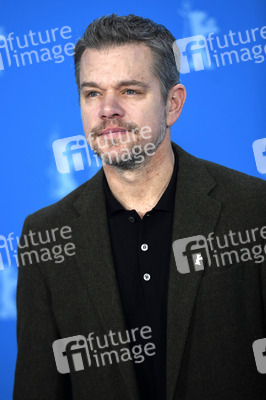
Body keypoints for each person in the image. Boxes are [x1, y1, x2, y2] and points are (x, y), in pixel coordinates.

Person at [13, 14, 266, 400]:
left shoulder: (254, 208)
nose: (107, 110)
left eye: (129, 91)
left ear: (173, 104)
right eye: (92, 93)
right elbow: (38, 387)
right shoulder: (46, 234)